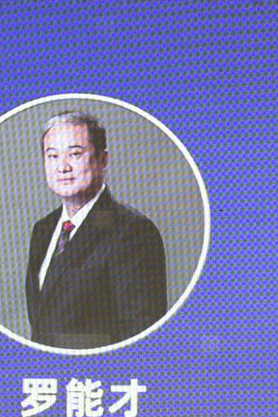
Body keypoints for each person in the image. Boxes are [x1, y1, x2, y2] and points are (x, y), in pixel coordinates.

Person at [22, 109, 172, 349]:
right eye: (53, 156)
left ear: (103, 159)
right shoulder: (43, 229)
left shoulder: (132, 231)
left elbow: (140, 333)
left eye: (75, 154)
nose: (62, 167)